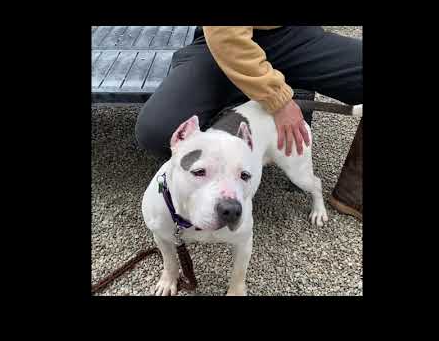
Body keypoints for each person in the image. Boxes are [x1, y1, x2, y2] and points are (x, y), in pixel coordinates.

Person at [135, 26, 362, 221]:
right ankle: (243, 97)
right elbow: (226, 36)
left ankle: (353, 191)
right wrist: (278, 100)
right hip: (223, 38)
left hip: (295, 35)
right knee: (158, 129)